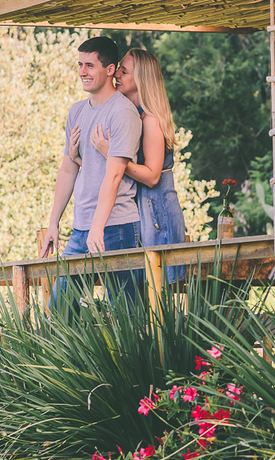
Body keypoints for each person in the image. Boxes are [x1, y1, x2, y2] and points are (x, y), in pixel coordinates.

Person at [42, 36, 143, 303]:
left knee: (127, 314)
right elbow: (67, 169)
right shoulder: (76, 112)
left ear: (110, 70)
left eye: (89, 65)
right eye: (79, 65)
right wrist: (54, 223)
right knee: (61, 308)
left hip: (117, 226)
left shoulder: (123, 112)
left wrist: (98, 227)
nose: (82, 72)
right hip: (81, 227)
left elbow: (114, 175)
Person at [73, 48, 187, 283]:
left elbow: (153, 176)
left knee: (158, 284)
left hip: (157, 209)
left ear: (141, 79)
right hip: (142, 205)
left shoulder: (151, 120)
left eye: (124, 72)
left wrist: (109, 153)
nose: (117, 76)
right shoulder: (131, 114)